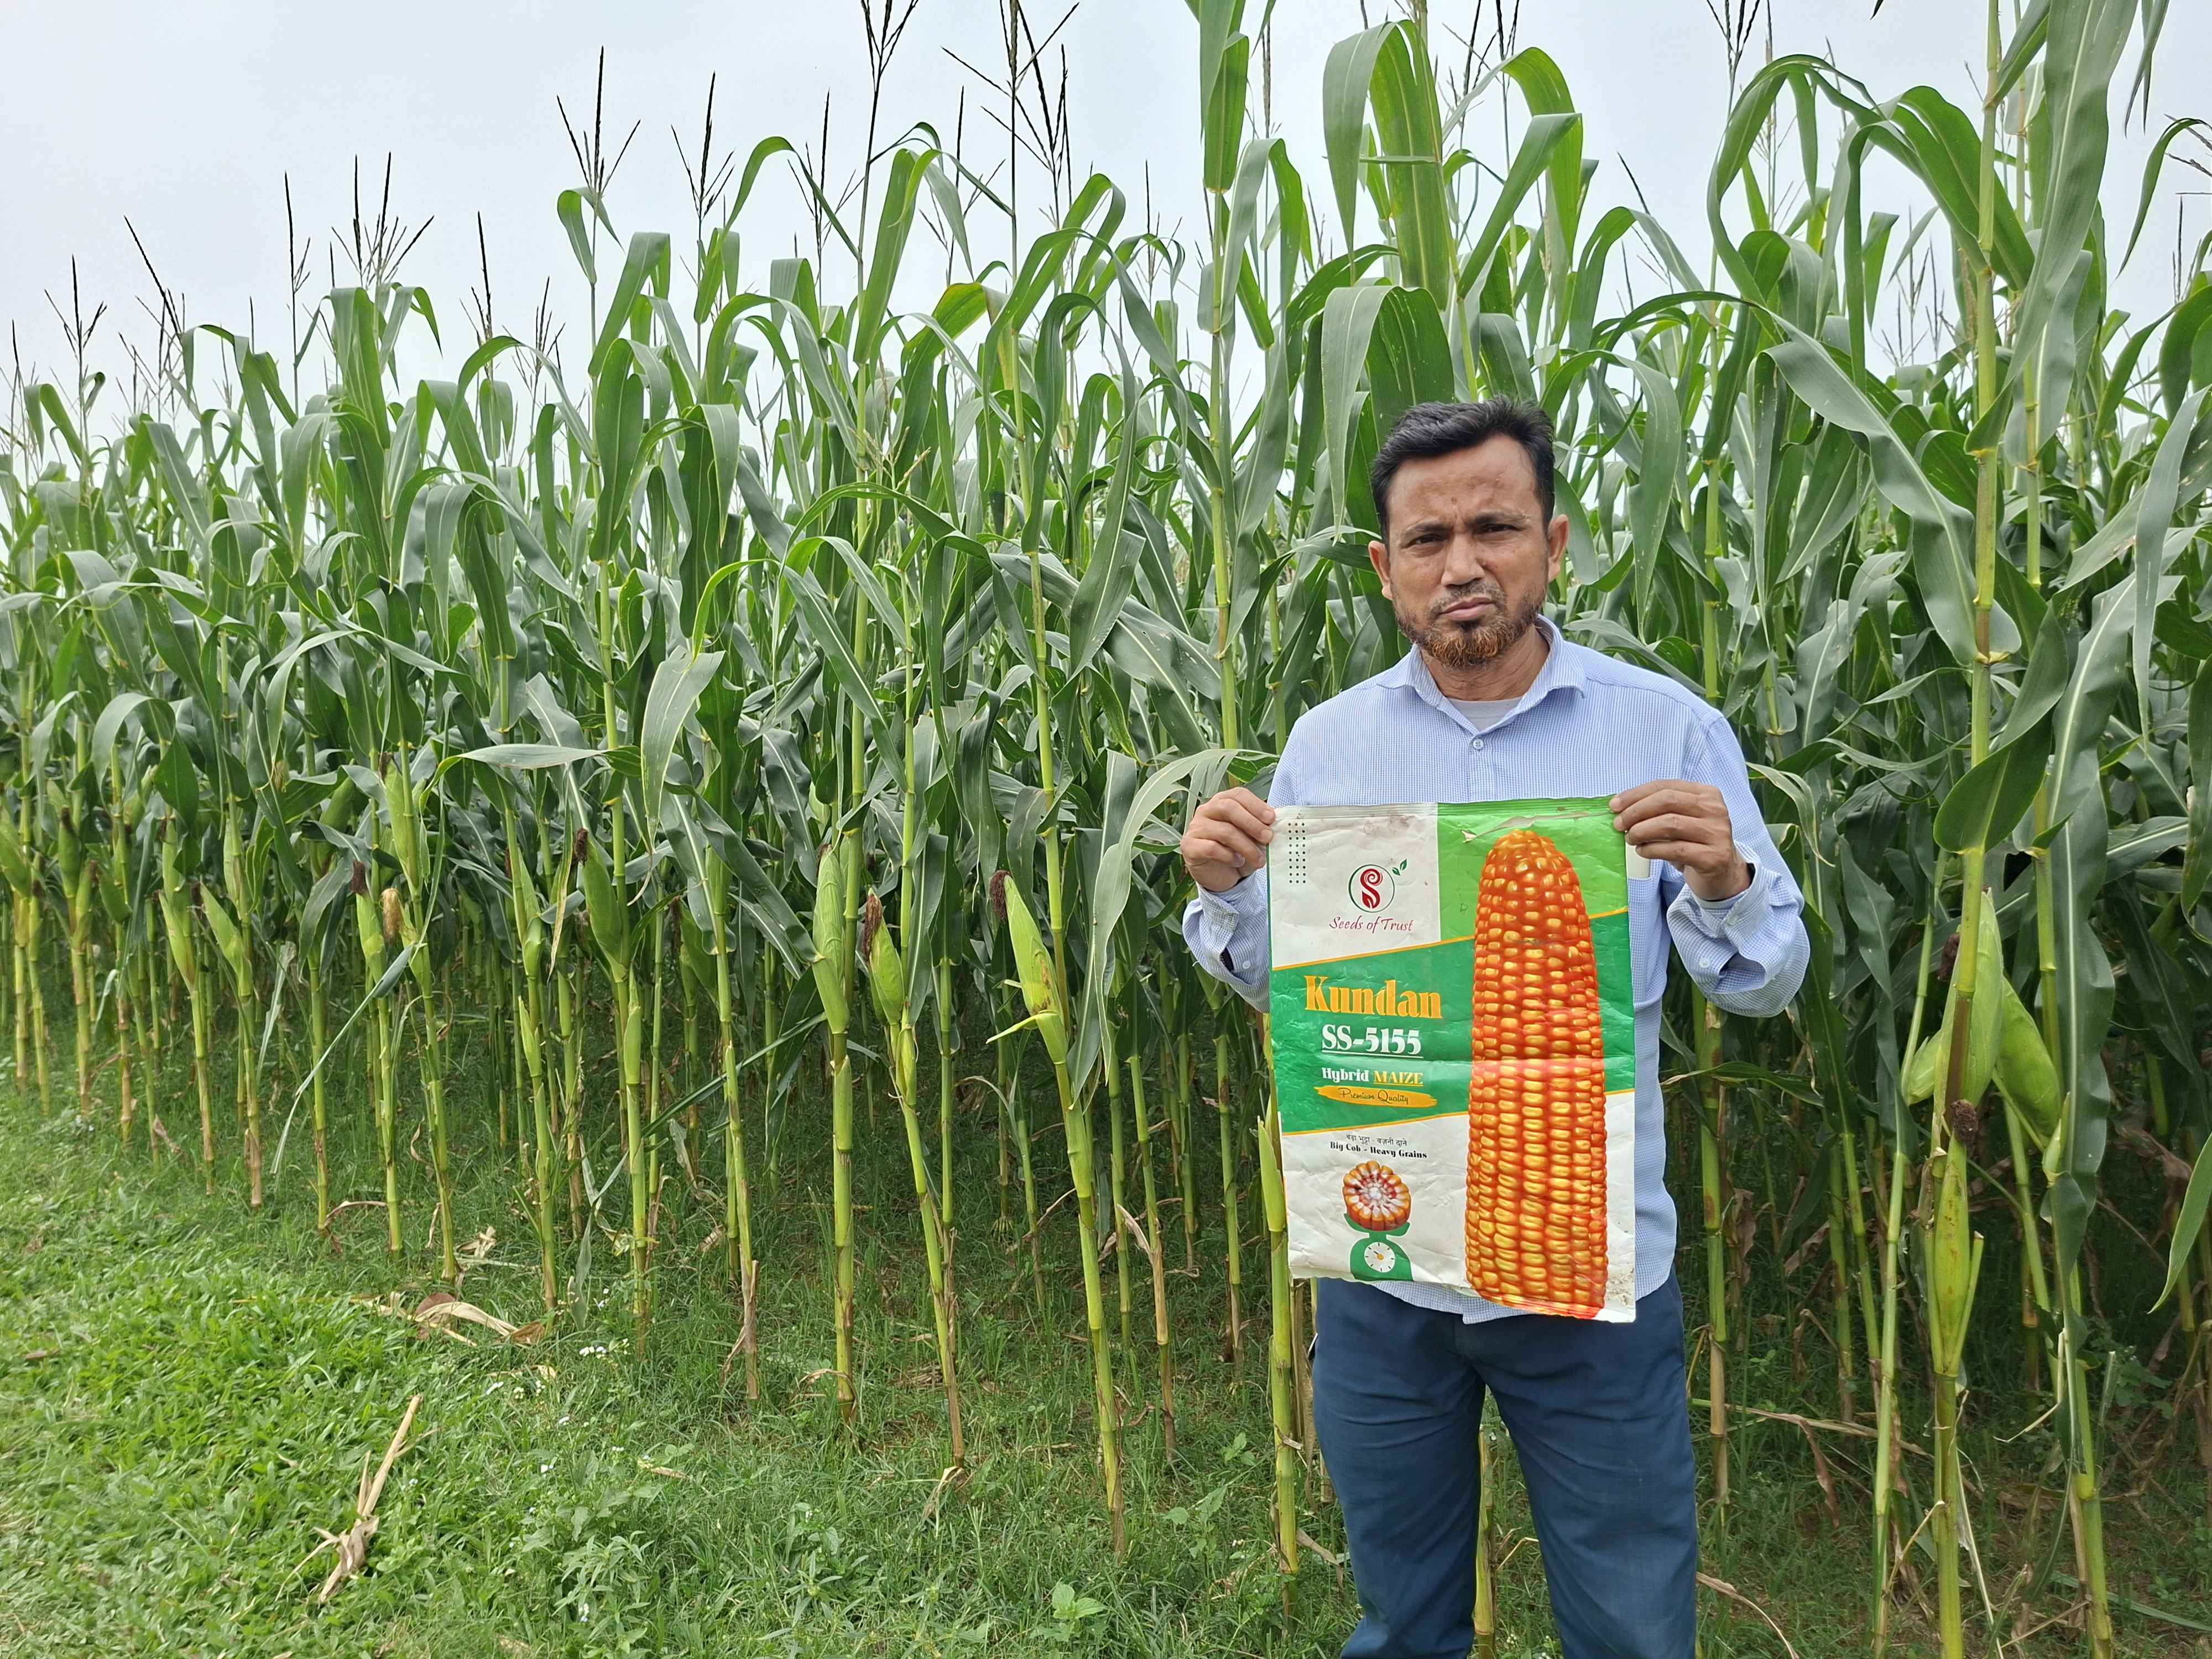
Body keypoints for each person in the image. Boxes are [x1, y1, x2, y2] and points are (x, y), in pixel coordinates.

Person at [1178, 399, 1808, 1659]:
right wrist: (1230, 893)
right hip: (1385, 1268)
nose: (1461, 564)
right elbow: (1296, 991)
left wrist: (1727, 881)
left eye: (1495, 529)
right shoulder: (1329, 745)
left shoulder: (1665, 730)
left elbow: (1765, 983)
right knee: (1401, 1617)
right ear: (1385, 568)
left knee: (1631, 1628)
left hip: (1590, 1277)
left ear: (1553, 544)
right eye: (1428, 539)